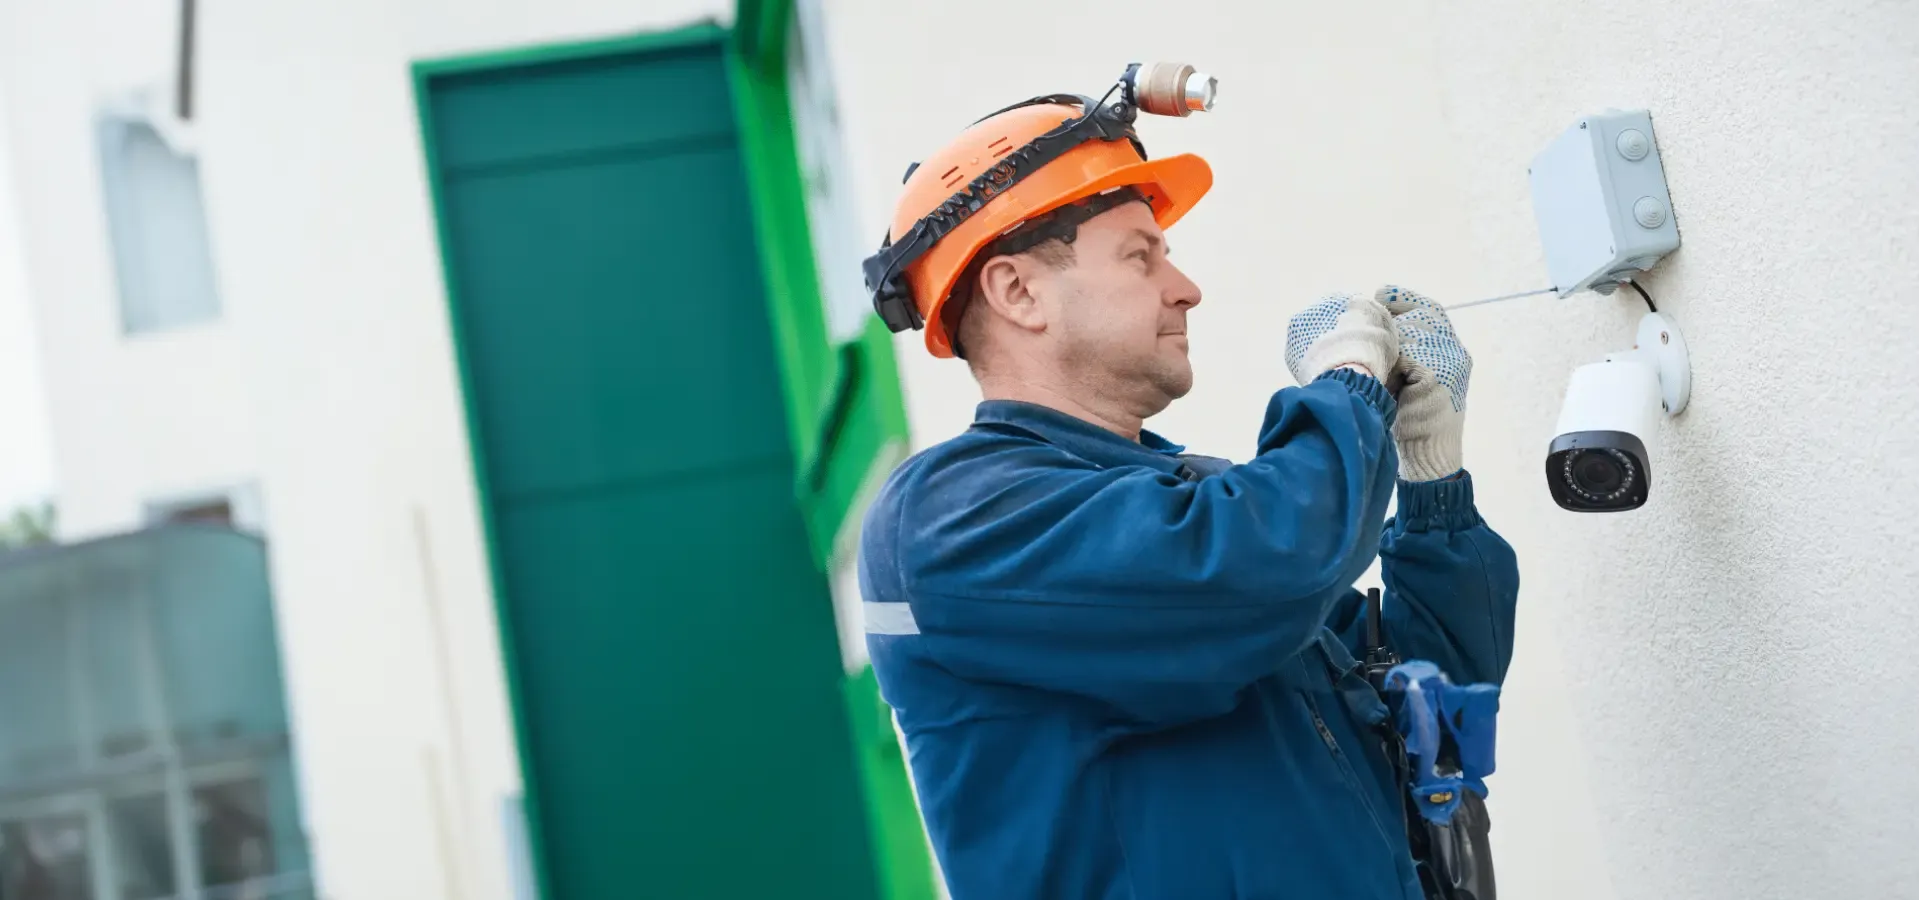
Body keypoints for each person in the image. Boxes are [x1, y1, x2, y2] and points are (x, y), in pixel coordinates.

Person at [857, 87, 1520, 900]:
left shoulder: (1181, 504)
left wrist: (1429, 476)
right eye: (1141, 256)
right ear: (1016, 292)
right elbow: (1263, 570)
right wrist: (1348, 387)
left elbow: (1432, 689)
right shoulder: (946, 520)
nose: (1185, 288)